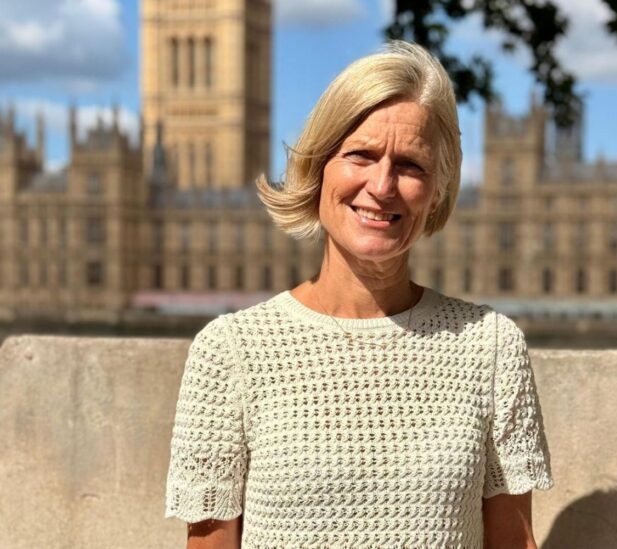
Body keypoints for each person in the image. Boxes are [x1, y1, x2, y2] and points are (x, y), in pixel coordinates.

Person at [165, 41, 553, 548]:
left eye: (411, 165)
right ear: (318, 166)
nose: (383, 184)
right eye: (361, 156)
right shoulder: (231, 352)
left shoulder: (492, 348)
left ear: (438, 188)